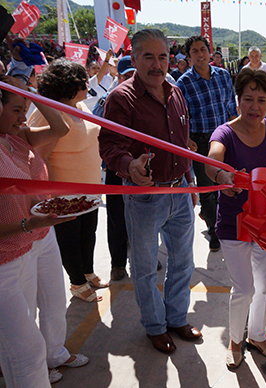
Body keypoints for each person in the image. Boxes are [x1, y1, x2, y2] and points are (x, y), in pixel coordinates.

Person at [98, 29, 202, 354]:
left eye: (162, 57)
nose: (157, 65)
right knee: (144, 268)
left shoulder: (176, 92)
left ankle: (176, 318)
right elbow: (109, 146)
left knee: (184, 261)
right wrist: (130, 166)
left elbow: (182, 143)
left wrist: (190, 181)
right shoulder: (121, 98)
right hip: (145, 197)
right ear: (134, 57)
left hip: (180, 192)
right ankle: (155, 326)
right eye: (149, 57)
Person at [0, 75, 89, 387]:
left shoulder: (17, 136)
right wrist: (28, 224)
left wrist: (30, 94)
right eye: (15, 110)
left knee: (52, 303)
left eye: (25, 109)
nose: (23, 117)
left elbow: (60, 128)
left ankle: (55, 354)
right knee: (23, 347)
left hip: (39, 236)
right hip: (10, 252)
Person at [205, 68, 266, 368]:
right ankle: (235, 341)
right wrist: (222, 174)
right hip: (233, 224)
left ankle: (257, 336)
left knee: (264, 286)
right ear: (237, 99)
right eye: (248, 99)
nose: (255, 107)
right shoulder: (224, 132)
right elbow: (212, 160)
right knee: (244, 288)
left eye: (262, 100)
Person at [29, 59, 107, 303]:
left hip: (89, 189)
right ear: (65, 86)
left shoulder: (80, 104)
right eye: (81, 82)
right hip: (64, 193)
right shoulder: (48, 114)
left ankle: (87, 271)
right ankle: (76, 282)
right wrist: (50, 194)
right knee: (69, 238)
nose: (87, 84)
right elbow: (38, 156)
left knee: (88, 233)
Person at [177, 35, 238, 252]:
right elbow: (180, 115)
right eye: (194, 51)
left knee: (227, 184)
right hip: (201, 143)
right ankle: (214, 232)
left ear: (209, 51)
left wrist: (237, 132)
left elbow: (231, 105)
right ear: (189, 56)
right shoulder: (183, 82)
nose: (200, 54)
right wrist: (187, 139)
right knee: (207, 189)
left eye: (203, 49)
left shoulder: (223, 76)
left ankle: (227, 224)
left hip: (224, 138)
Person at [92, 56, 136, 281]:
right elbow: (95, 125)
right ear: (118, 77)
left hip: (142, 168)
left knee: (143, 216)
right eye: (125, 75)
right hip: (116, 167)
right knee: (117, 216)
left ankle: (140, 257)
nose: (130, 79)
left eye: (133, 74)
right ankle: (118, 264)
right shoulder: (108, 99)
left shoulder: (148, 99)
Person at [244, 46, 266, 122]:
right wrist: (238, 103)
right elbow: (240, 87)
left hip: (264, 101)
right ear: (248, 57)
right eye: (252, 56)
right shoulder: (245, 70)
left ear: (260, 56)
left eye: (256, 56)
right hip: (249, 102)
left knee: (264, 122)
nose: (254, 58)